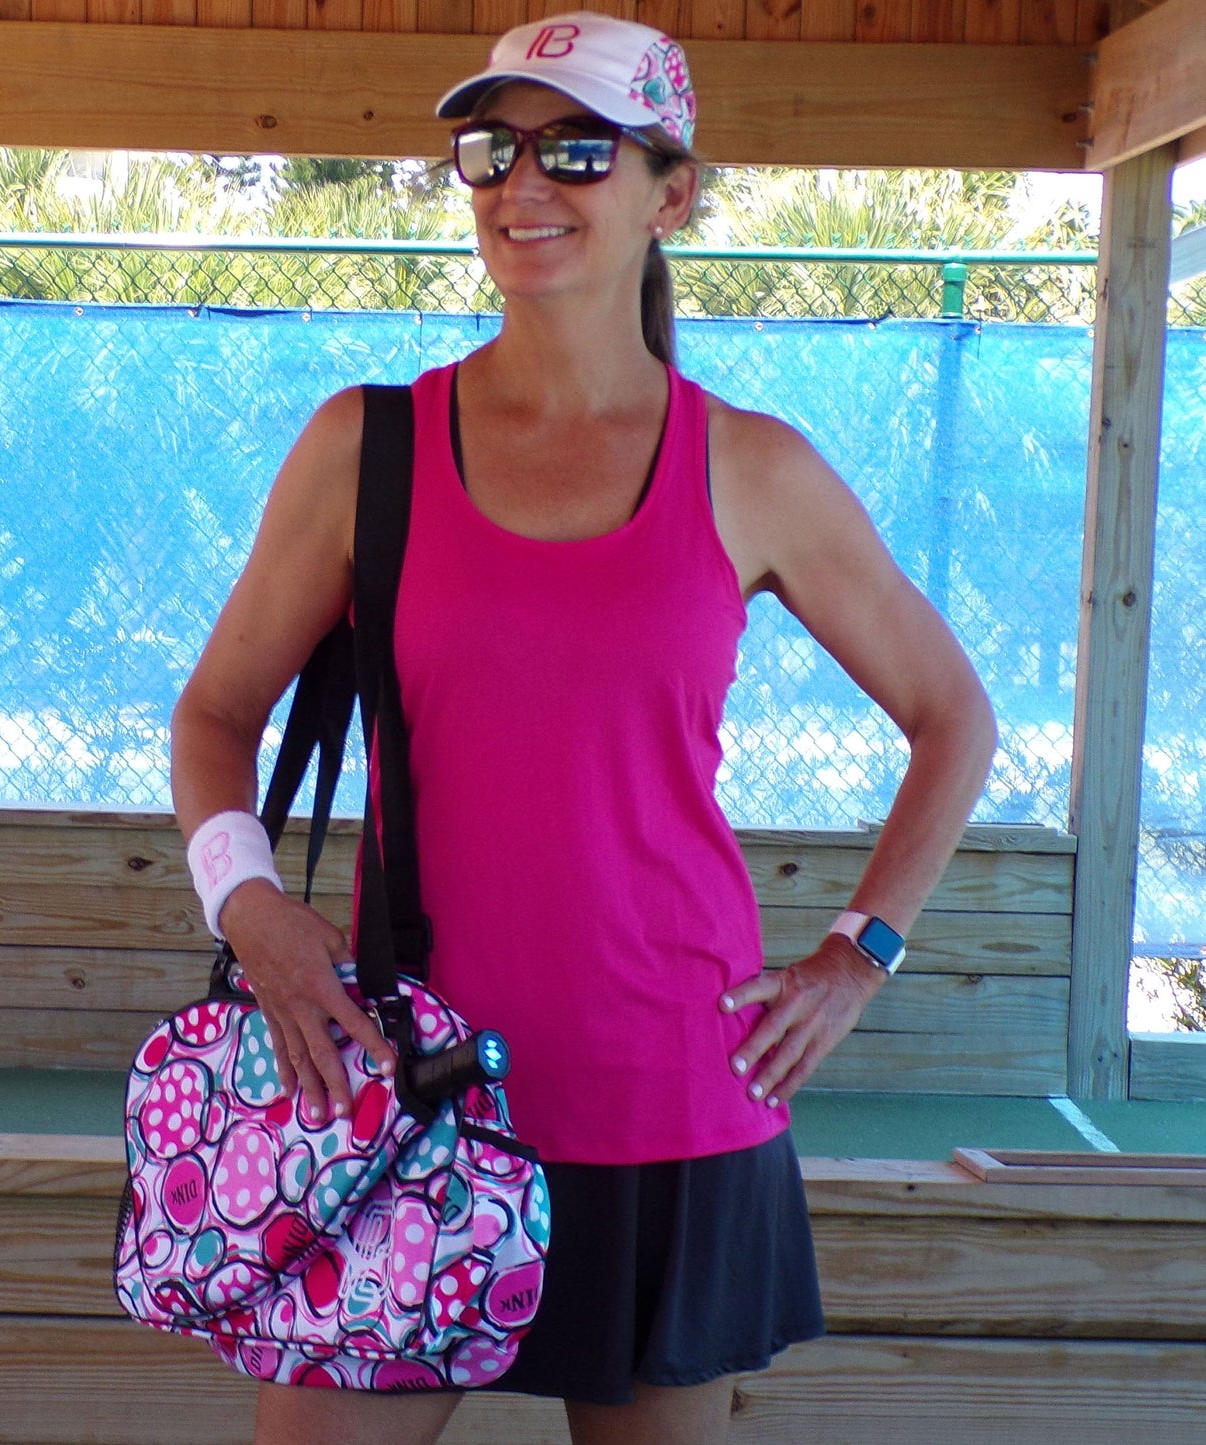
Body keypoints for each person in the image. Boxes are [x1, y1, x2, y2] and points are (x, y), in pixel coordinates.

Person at [169, 11, 998, 1444]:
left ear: (671, 192)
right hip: (403, 1080)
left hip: (669, 1092)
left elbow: (952, 713)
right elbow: (215, 711)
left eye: (575, 149)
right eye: (490, 150)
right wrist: (249, 903)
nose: (519, 186)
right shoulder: (363, 447)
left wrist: (859, 953)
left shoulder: (751, 466)